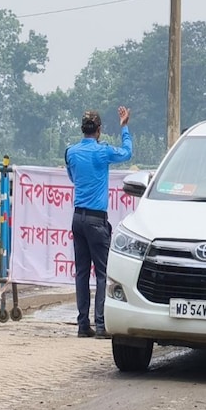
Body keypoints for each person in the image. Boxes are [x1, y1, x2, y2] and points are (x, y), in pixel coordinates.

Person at [66, 107, 133, 338]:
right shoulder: (103, 151)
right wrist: (124, 127)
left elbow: (73, 177)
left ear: (82, 129)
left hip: (78, 217)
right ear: (99, 130)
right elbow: (127, 153)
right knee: (103, 273)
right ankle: (101, 324)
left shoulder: (71, 152)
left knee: (82, 272)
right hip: (96, 219)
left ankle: (83, 324)